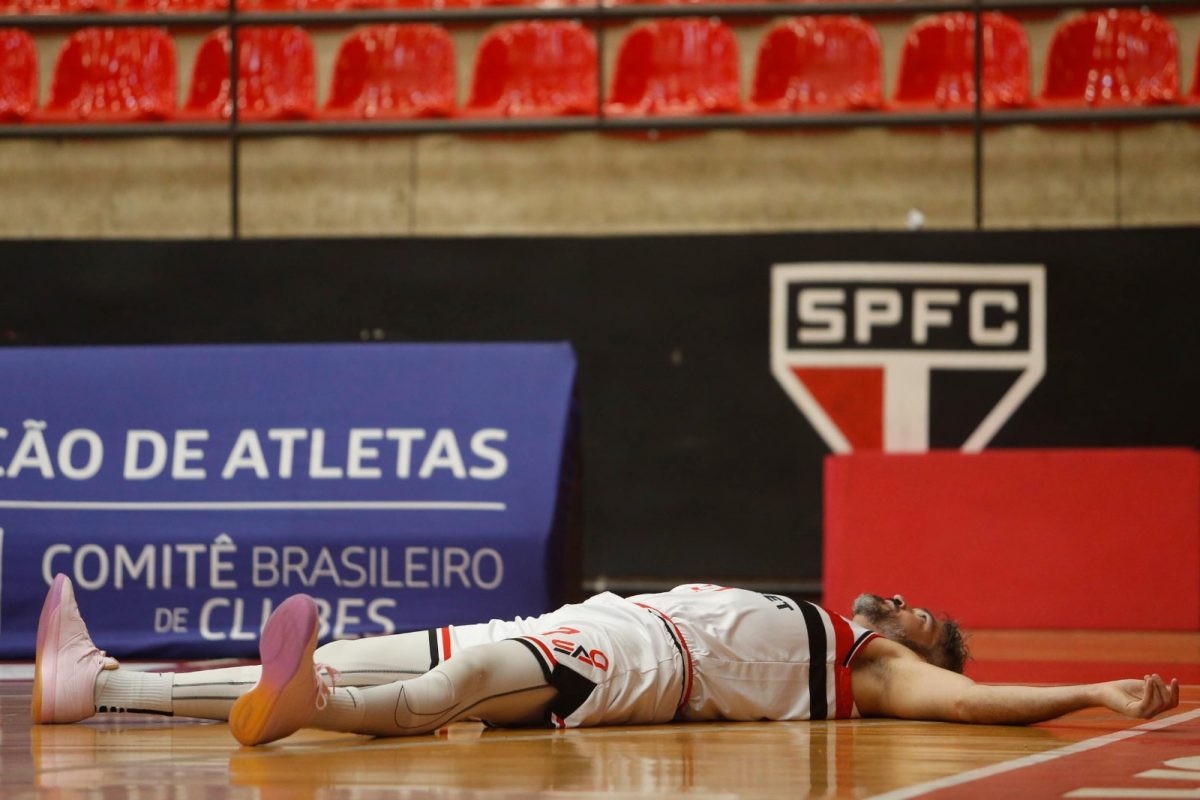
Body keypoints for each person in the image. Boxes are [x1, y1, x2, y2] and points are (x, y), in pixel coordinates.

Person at [32, 574, 1179, 747]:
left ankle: (307, 698)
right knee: (376, 657)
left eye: (926, 616)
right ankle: (103, 681)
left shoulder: (868, 662)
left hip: (637, 661)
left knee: (447, 690)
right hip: (592, 619)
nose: (907, 603)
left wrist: (1089, 690)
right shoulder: (813, 609)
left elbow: (971, 702)